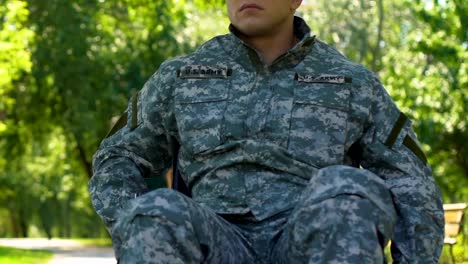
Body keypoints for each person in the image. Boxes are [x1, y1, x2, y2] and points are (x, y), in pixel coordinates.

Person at [89, 0, 444, 263]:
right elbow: (116, 157)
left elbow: (411, 181)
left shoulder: (352, 83)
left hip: (311, 241)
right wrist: (133, 226)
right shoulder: (181, 77)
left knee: (347, 190)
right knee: (159, 209)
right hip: (212, 242)